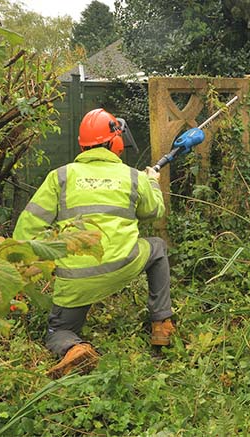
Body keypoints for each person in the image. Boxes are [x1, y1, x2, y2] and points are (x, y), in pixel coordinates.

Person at [13, 108, 174, 379]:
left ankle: (73, 348)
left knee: (59, 332)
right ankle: (161, 323)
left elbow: (25, 231)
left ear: (83, 144)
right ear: (116, 141)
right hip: (124, 264)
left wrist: (51, 261)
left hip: (76, 280)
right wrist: (152, 182)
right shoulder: (134, 176)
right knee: (157, 247)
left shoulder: (60, 177)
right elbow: (154, 211)